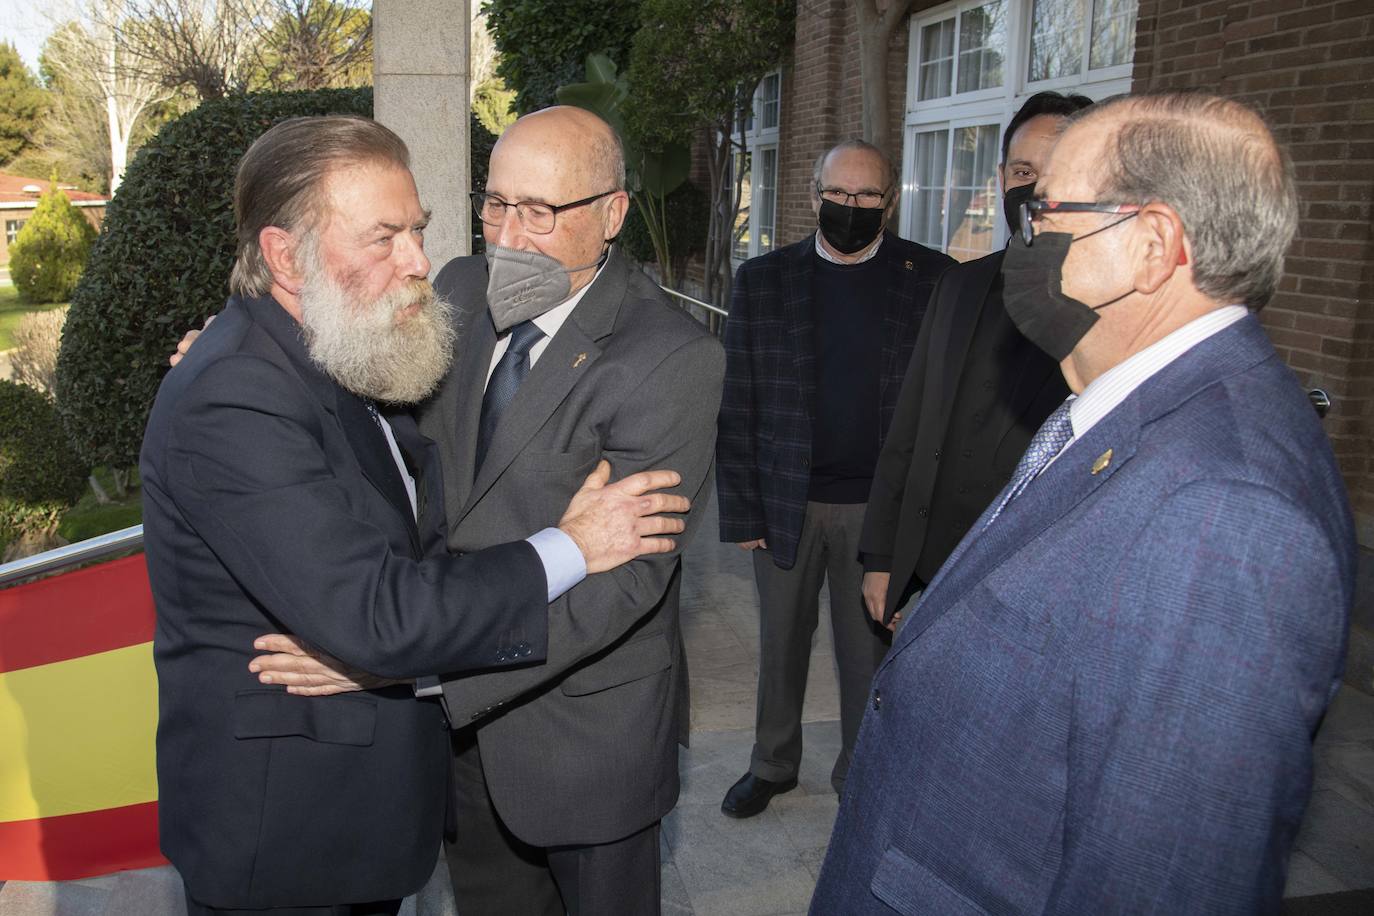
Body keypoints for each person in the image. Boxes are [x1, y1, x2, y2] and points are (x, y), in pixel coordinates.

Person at [810, 91, 1357, 914]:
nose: (1026, 235)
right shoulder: (1125, 397)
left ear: (1151, 246)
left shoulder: (1227, 514)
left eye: (1051, 212)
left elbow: (1166, 879)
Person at [142, 115, 690, 916]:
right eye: (386, 238)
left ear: (612, 213)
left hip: (547, 759)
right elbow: (375, 609)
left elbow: (397, 449)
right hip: (291, 833)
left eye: (420, 231)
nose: (424, 263)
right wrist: (566, 547)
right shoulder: (245, 388)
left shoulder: (330, 342)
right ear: (284, 256)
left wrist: (398, 665)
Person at [715, 139, 954, 818]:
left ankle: (863, 770)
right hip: (786, 501)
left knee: (867, 655)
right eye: (838, 194)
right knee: (780, 646)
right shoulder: (763, 280)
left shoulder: (930, 278)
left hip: (878, 510)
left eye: (867, 195)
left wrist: (920, 516)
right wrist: (744, 515)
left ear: (892, 200)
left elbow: (940, 405)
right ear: (814, 196)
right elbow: (739, 402)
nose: (851, 207)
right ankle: (772, 765)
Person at [859, 91, 1091, 630]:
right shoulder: (959, 285)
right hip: (931, 565)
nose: (1033, 188)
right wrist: (881, 555)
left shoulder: (1113, 305)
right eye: (1022, 170)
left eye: (1053, 172)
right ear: (1002, 176)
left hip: (1033, 582)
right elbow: (911, 424)